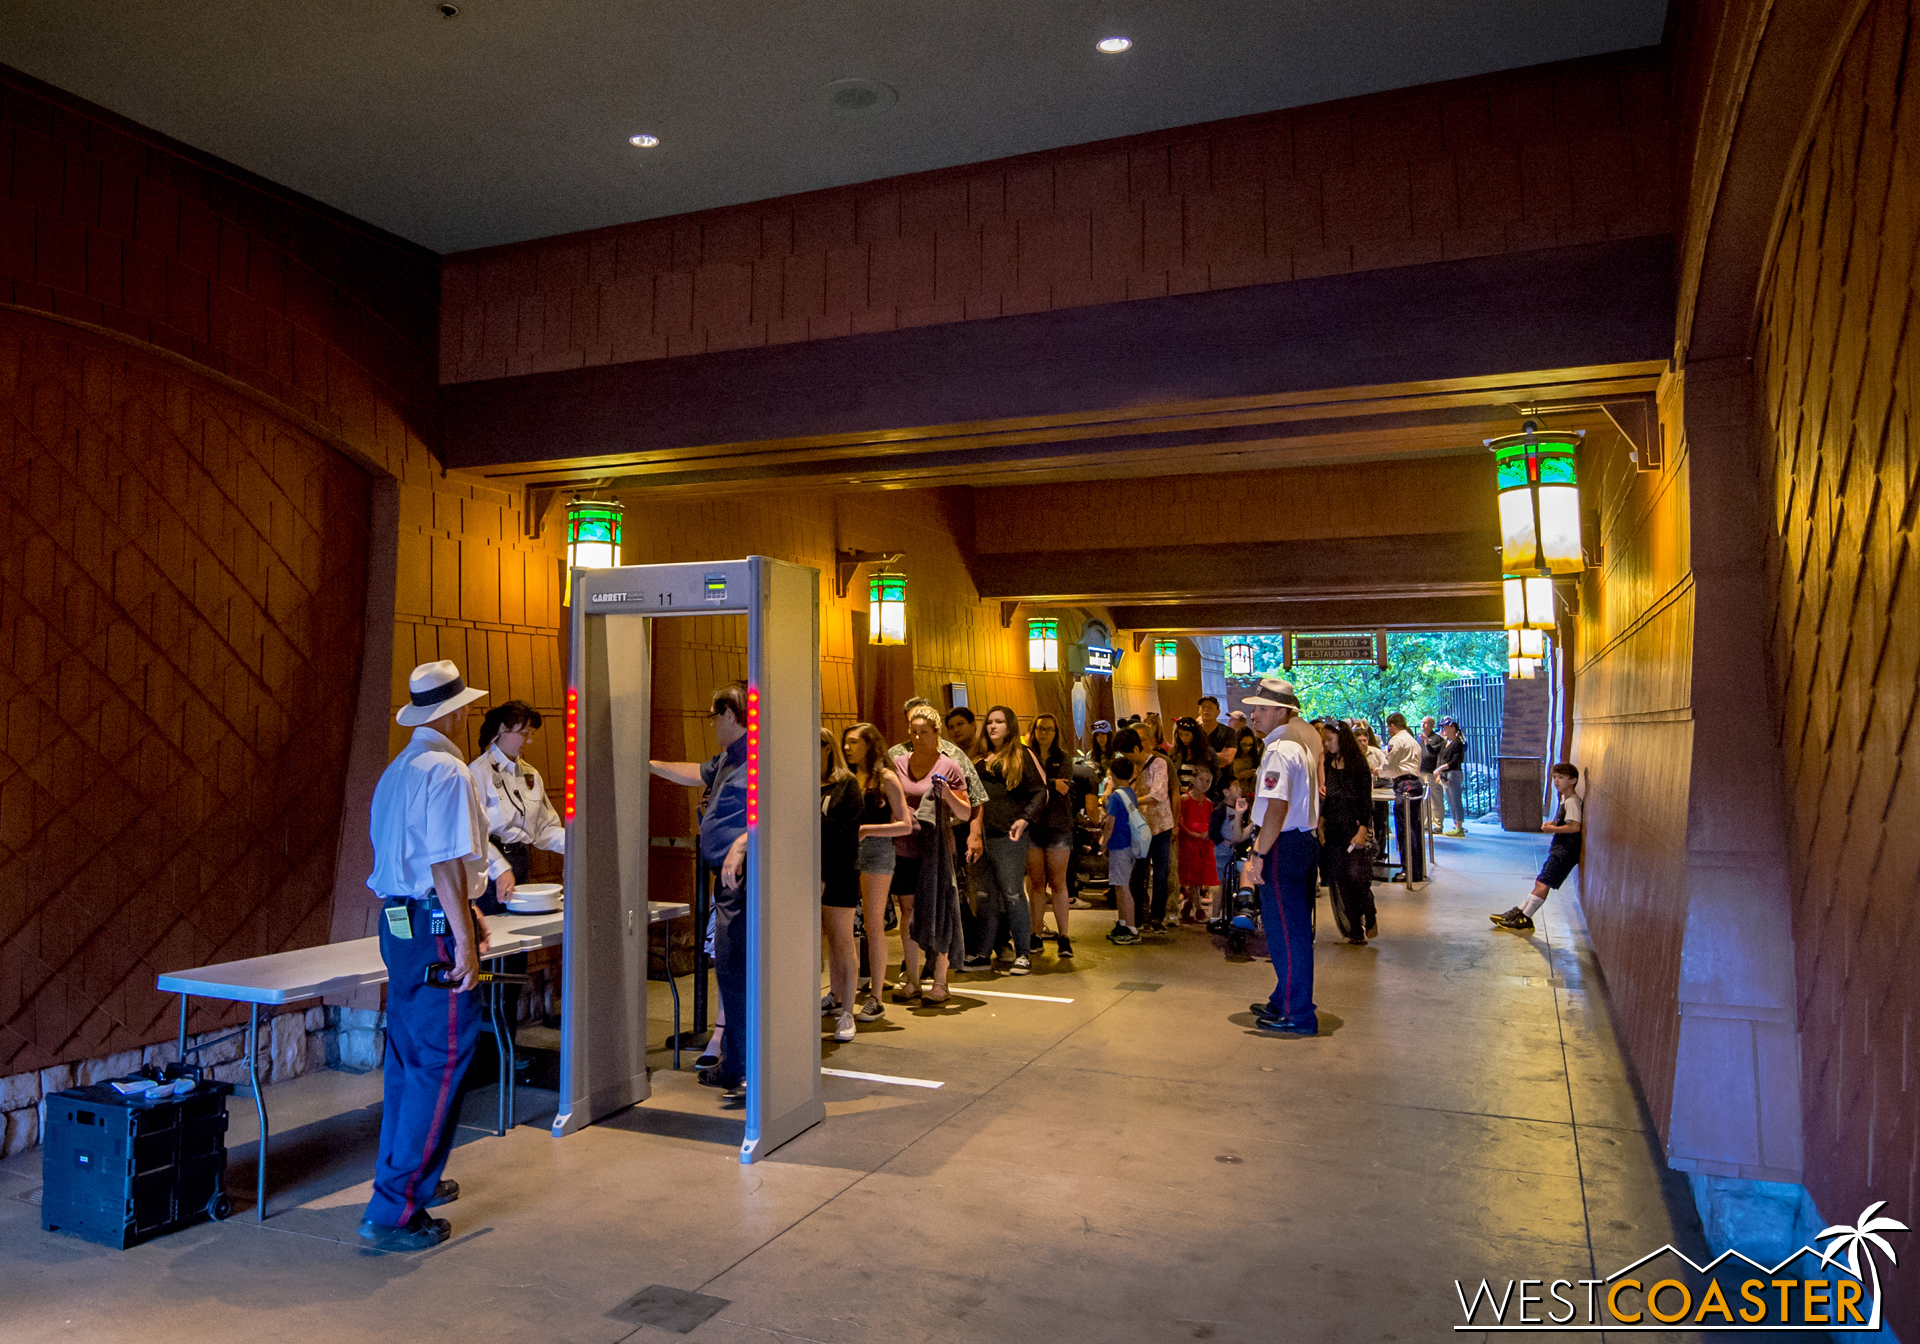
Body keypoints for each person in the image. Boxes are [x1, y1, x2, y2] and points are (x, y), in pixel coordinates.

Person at [358, 660, 494, 1252]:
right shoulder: (449, 770)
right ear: (458, 713)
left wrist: (466, 913)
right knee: (441, 1061)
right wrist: (463, 936)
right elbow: (443, 862)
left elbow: (411, 860)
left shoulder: (396, 771)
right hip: (434, 924)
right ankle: (395, 1206)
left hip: (399, 925)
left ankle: (412, 1177)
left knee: (409, 1059)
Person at [650, 683, 753, 1107]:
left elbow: (778, 806)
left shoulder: (758, 753)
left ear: (730, 714)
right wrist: (649, 763)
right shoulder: (730, 757)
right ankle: (735, 1062)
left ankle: (744, 1068)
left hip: (744, 878)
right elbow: (695, 772)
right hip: (726, 880)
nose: (712, 725)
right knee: (729, 970)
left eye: (713, 717)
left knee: (738, 971)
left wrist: (743, 842)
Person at [1239, 678, 1321, 1036]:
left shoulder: (1278, 751)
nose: (1253, 714)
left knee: (1286, 932)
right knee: (1294, 928)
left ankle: (1296, 1011)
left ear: (1282, 712)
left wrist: (1258, 853)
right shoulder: (1296, 746)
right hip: (1300, 843)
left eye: (1261, 708)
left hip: (1282, 845)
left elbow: (1276, 806)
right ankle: (1284, 996)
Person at [891, 705, 974, 1003]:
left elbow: (965, 813)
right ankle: (912, 979)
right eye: (913, 731)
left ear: (936, 733)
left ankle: (941, 980)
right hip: (904, 846)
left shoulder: (948, 766)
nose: (917, 737)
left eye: (924, 732)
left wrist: (948, 794)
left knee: (939, 910)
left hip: (936, 848)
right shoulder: (898, 762)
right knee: (908, 911)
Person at [964, 706, 1046, 974]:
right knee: (984, 895)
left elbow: (1040, 792)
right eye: (989, 722)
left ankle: (1023, 952)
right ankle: (982, 953)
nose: (993, 726)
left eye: (999, 722)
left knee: (1012, 894)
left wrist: (1024, 819)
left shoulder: (1021, 754)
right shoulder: (978, 756)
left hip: (1008, 834)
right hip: (980, 835)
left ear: (1010, 726)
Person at [841, 723, 912, 1023]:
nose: (847, 748)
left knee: (872, 925)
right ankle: (841, 992)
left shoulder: (886, 778)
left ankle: (876, 997)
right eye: (845, 743)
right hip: (845, 854)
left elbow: (906, 824)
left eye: (853, 742)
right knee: (845, 928)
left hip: (876, 854)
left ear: (870, 745)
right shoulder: (844, 778)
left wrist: (867, 830)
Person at [471, 701, 565, 911]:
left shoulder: (530, 774)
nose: (529, 740)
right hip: (490, 867)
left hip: (520, 861)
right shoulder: (478, 772)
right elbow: (473, 834)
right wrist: (500, 868)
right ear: (502, 729)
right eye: (524, 733)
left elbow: (543, 830)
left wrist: (577, 845)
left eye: (531, 733)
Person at [1491, 763, 1583, 931]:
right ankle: (1519, 912)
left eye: (1561, 778)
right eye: (1554, 777)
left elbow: (1575, 827)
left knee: (1543, 883)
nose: (1556, 781)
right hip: (1559, 848)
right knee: (1541, 881)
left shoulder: (1572, 802)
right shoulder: (1564, 799)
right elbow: (1566, 821)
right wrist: (1554, 823)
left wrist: (1552, 829)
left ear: (1573, 780)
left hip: (1565, 851)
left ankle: (1525, 918)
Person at [820, 729, 866, 1042]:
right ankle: (830, 997)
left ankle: (847, 1011)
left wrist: (825, 874)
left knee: (842, 940)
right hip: (801, 873)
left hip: (837, 872)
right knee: (812, 944)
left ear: (827, 748)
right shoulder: (797, 780)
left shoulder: (846, 785)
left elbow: (849, 835)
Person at [1023, 712, 1076, 959]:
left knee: (1058, 882)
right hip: (1033, 826)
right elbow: (1024, 786)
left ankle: (1064, 936)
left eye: (1049, 729)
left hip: (1058, 825)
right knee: (1035, 883)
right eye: (1040, 728)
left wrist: (1047, 784)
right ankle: (1035, 933)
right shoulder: (1024, 756)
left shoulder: (1064, 758)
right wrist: (1050, 784)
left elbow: (1060, 785)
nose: (1043, 733)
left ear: (1056, 733)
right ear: (1033, 731)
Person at [1319, 718, 1377, 944]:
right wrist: (1321, 822)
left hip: (1353, 825)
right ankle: (1354, 929)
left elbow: (1365, 800)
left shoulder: (1358, 764)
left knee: (1356, 876)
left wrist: (1363, 828)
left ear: (1341, 739)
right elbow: (1326, 798)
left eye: (1330, 739)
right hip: (1333, 825)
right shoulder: (1326, 763)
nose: (1326, 744)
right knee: (1340, 878)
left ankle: (1368, 912)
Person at [1114, 726, 1175, 933]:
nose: (1125, 757)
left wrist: (1128, 801)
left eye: (1127, 752)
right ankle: (1139, 917)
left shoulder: (1159, 763)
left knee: (1161, 872)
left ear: (1136, 748)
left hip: (1161, 826)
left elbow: (1158, 794)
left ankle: (1158, 917)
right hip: (1138, 827)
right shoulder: (1128, 766)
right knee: (1137, 873)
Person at [1101, 756, 1148, 944]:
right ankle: (1123, 923)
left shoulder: (1114, 797)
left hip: (1119, 844)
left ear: (1112, 774)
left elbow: (1110, 823)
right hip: (1129, 843)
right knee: (1121, 885)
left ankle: (1130, 927)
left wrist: (1103, 842)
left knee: (1122, 886)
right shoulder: (1131, 793)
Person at [1175, 761, 1220, 923]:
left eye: (1208, 781)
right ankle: (1199, 908)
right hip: (1189, 841)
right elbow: (1178, 819)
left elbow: (1210, 821)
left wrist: (1207, 833)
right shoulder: (1185, 798)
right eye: (1202, 780)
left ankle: (1190, 904)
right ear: (1193, 780)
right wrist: (1191, 833)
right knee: (1192, 876)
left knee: (1199, 877)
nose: (1205, 784)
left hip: (1203, 842)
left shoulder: (1208, 803)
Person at [1435, 718, 1469, 836]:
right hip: (1446, 774)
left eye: (1445, 727)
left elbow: (1455, 761)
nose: (1443, 729)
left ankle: (1459, 827)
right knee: (1450, 800)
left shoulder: (1458, 743)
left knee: (1455, 800)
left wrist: (1440, 768)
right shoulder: (1446, 742)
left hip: (1453, 774)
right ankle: (1456, 824)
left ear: (1452, 728)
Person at [1168, 716, 1216, 796]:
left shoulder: (1207, 753)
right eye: (1181, 734)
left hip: (1199, 796)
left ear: (1195, 735)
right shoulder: (1174, 753)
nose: (1183, 738)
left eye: (1187, 735)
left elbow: (1214, 777)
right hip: (1179, 796)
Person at [1418, 716, 1443, 834]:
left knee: (1434, 799)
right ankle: (1425, 824)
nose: (1423, 725)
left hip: (1431, 772)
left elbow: (1436, 754)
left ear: (1432, 725)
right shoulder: (1418, 739)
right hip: (1420, 772)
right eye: (1422, 722)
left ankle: (1437, 824)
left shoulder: (1437, 739)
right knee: (1422, 799)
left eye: (1426, 723)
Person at [1382, 713, 1423, 780]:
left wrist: (1378, 771)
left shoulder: (1396, 740)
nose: (1388, 730)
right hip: (1415, 780)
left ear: (1393, 726)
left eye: (1388, 727)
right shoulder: (1413, 741)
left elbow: (1390, 762)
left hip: (1404, 780)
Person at [1198, 695, 1236, 765]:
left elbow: (1228, 758)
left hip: (1222, 775)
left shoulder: (1228, 732)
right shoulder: (1195, 731)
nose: (1206, 709)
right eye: (1203, 707)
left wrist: (1200, 755)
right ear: (1199, 711)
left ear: (1218, 712)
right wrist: (1219, 755)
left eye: (1210, 707)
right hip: (1197, 775)